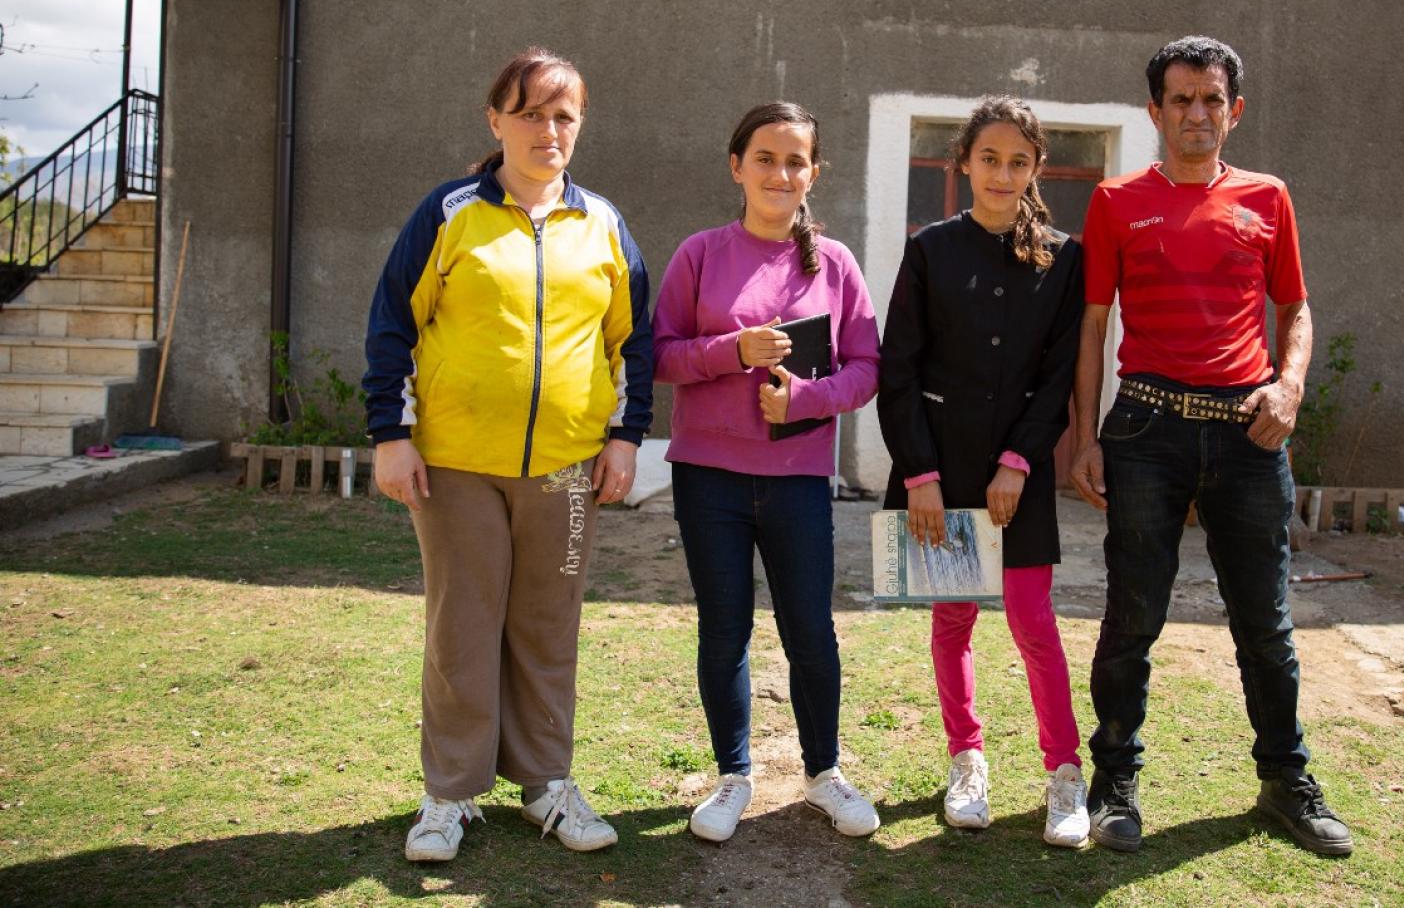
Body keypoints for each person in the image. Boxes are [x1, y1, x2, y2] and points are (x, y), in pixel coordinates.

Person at [363, 46, 652, 862]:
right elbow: (392, 324)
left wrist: (625, 438)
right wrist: (391, 436)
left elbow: (634, 343)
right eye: (530, 113)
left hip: (565, 472)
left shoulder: (603, 224)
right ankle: (450, 795)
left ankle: (546, 784)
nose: (547, 130)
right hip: (455, 467)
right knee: (463, 627)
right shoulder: (449, 213)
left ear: (580, 125)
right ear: (496, 121)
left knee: (547, 625)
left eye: (564, 115)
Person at [1069, 35, 1352, 857]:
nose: (1197, 113)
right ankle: (1114, 783)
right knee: (1133, 617)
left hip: (1248, 430)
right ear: (1155, 112)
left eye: (1212, 99)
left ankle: (1285, 782)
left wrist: (1289, 387)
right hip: (1146, 428)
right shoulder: (1116, 201)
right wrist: (1084, 439)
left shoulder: (1269, 197)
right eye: (1181, 99)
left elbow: (1295, 308)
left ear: (1235, 110)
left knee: (1266, 622)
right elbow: (1092, 325)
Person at [652, 102, 882, 843]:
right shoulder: (699, 254)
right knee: (725, 629)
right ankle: (734, 776)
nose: (780, 173)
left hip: (797, 479)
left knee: (810, 628)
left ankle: (823, 774)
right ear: (737, 167)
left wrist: (806, 399)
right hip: (709, 478)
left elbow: (867, 368)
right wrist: (732, 351)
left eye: (795, 161)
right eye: (765, 158)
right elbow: (659, 355)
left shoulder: (836, 264)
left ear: (813, 173)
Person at [878, 96, 1089, 848]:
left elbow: (1058, 377)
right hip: (941, 469)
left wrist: (1020, 462)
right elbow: (898, 370)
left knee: (1034, 621)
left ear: (1036, 169)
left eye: (1018, 162)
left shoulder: (1063, 257)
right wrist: (921, 475)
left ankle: (1065, 771)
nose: (1003, 174)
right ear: (964, 162)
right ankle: (966, 761)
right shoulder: (930, 249)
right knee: (953, 620)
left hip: (1018, 475)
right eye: (989, 158)